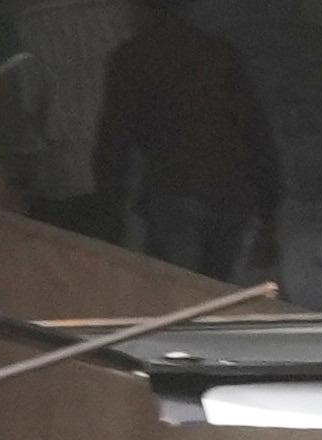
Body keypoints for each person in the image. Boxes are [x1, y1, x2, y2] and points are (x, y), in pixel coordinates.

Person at [85, 0, 281, 280]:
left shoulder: (133, 57)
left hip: (174, 191)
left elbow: (114, 143)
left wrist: (109, 212)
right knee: (214, 293)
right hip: (229, 192)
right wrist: (268, 211)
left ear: (142, 9)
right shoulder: (218, 53)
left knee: (177, 293)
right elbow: (255, 131)